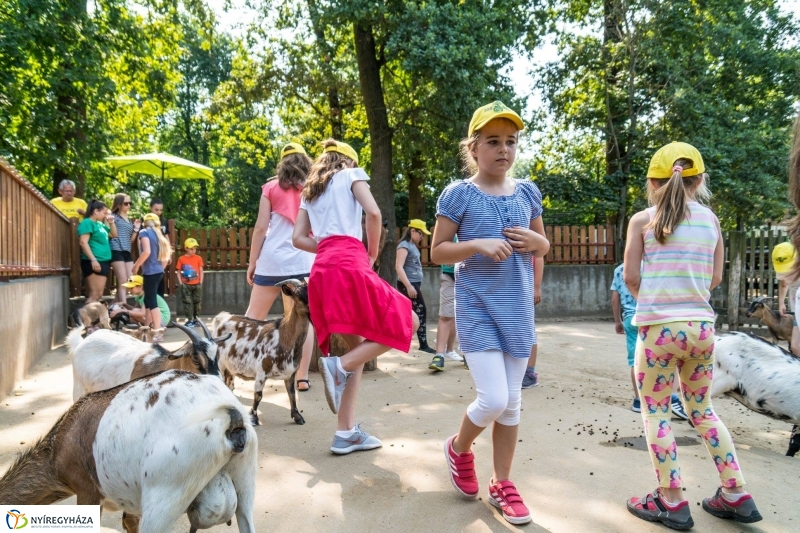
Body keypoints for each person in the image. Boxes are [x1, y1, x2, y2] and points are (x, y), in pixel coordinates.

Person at [624, 142, 761, 529]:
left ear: (652, 182)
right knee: (702, 411)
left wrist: (652, 302)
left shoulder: (642, 221)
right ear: (700, 180)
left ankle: (671, 501)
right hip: (702, 330)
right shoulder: (711, 221)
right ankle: (735, 492)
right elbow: (715, 278)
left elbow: (631, 277)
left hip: (658, 332)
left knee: (656, 412)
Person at [430, 101, 549, 526]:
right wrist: (478, 245)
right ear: (474, 147)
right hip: (478, 307)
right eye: (493, 141)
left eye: (511, 142)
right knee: (495, 398)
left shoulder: (528, 191)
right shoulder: (458, 194)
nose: (504, 149)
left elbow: (544, 246)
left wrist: (537, 249)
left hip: (517, 310)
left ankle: (502, 482)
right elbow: (438, 250)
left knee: (513, 404)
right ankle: (459, 448)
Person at [293, 139, 420, 455]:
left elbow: (297, 238)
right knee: (410, 320)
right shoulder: (351, 175)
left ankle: (345, 432)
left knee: (360, 345)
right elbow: (374, 214)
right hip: (350, 264)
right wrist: (372, 252)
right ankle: (340, 366)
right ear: (348, 162)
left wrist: (326, 247)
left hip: (322, 271)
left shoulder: (311, 192)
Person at [246, 142, 317, 391]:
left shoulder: (270, 188)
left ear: (282, 163)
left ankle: (242, 368)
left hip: (271, 262)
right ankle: (302, 377)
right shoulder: (314, 189)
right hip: (303, 261)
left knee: (253, 319)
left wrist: (252, 261)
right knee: (303, 323)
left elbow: (260, 228)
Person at [396, 219, 436, 355]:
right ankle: (423, 345)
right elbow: (398, 267)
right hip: (409, 284)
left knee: (409, 313)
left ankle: (406, 340)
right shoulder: (404, 245)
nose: (422, 237)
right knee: (421, 311)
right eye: (420, 234)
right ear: (412, 231)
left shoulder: (411, 245)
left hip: (413, 284)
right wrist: (408, 286)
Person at [132, 213, 172, 340]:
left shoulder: (144, 232)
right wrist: (160, 269)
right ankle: (147, 328)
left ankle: (157, 332)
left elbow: (147, 251)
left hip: (150, 272)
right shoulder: (159, 235)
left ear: (145, 223)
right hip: (158, 272)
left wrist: (136, 265)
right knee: (148, 302)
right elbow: (166, 257)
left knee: (152, 303)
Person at [429, 236, 465, 371]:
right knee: (446, 315)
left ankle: (468, 354)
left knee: (468, 316)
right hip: (449, 274)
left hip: (470, 273)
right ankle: (439, 355)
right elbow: (438, 251)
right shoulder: (449, 229)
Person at [77, 199, 117, 303]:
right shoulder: (87, 223)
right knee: (95, 295)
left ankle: (88, 318)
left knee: (98, 296)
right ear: (96, 211)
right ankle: (83, 318)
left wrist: (111, 223)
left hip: (103, 261)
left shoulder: (100, 224)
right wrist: (93, 260)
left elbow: (114, 235)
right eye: (104, 212)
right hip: (94, 262)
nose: (105, 215)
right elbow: (83, 242)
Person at [109, 193, 140, 302]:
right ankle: (123, 308)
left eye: (129, 203)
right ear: (119, 204)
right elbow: (108, 232)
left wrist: (136, 229)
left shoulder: (129, 219)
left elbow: (130, 240)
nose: (129, 205)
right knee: (123, 281)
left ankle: (113, 308)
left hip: (127, 250)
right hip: (116, 249)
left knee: (130, 282)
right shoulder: (113, 217)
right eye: (126, 203)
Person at [522, 256, 544, 387]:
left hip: (525, 286)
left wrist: (536, 287)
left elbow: (539, 256)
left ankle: (530, 373)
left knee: (528, 327)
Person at [175, 238, 204, 327]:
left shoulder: (198, 258)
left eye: (195, 248)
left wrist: (200, 282)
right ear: (186, 248)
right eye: (191, 248)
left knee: (197, 302)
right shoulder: (181, 259)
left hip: (197, 283)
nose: (193, 250)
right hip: (186, 284)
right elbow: (178, 271)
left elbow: (201, 270)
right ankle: (189, 319)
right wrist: (181, 283)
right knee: (187, 302)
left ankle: (196, 319)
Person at [149, 198, 169, 296]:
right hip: (150, 253)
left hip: (162, 254)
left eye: (161, 210)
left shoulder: (164, 221)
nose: (159, 212)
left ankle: (160, 301)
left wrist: (168, 253)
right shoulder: (146, 220)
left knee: (160, 276)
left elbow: (166, 237)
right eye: (156, 210)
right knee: (151, 277)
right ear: (150, 208)